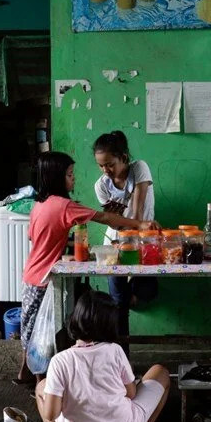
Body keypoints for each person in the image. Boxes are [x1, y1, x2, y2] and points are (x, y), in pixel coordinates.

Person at [17, 151, 160, 385]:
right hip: (46, 277)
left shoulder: (39, 205)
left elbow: (34, 237)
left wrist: (64, 252)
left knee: (30, 326)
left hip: (31, 273)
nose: (74, 179)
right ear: (56, 178)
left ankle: (25, 372)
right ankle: (42, 382)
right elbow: (104, 218)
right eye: (70, 174)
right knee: (45, 332)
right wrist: (140, 223)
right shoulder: (65, 206)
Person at [30, 291, 170, 422]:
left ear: (75, 319)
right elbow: (131, 393)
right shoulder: (115, 351)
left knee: (42, 388)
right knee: (161, 372)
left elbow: (51, 414)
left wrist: (67, 397)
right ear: (109, 325)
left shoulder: (60, 361)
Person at [93, 131, 158, 341]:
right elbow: (114, 220)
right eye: (101, 165)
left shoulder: (139, 168)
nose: (106, 170)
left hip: (145, 242)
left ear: (123, 157)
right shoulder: (101, 185)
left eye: (110, 164)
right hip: (116, 246)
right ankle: (122, 356)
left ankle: (132, 296)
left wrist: (138, 227)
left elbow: (138, 214)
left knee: (148, 290)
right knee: (117, 303)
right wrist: (125, 237)